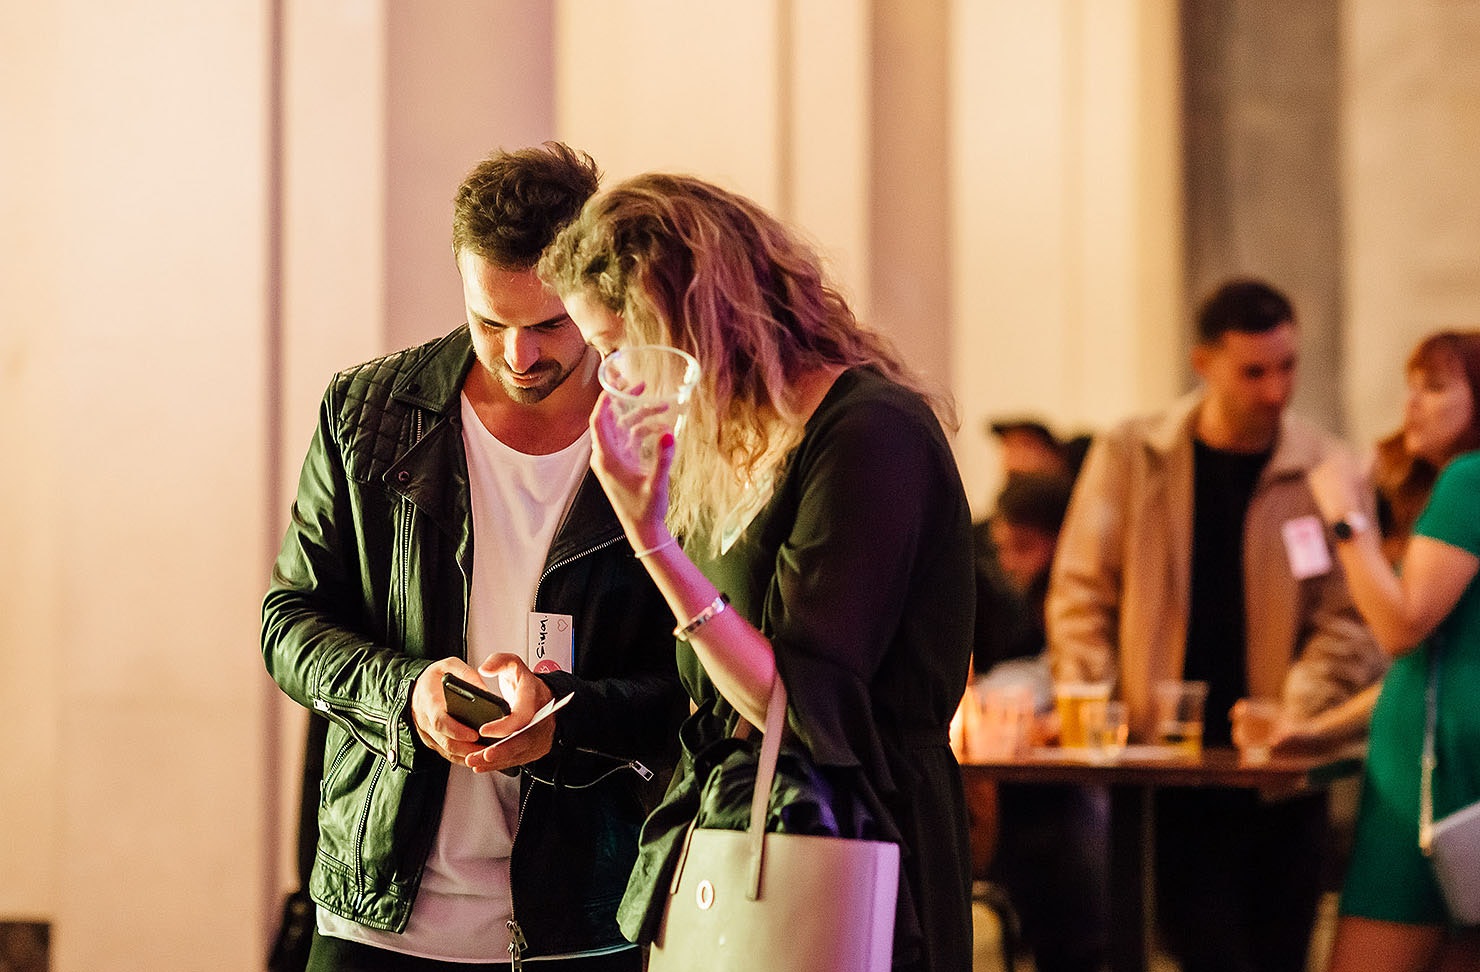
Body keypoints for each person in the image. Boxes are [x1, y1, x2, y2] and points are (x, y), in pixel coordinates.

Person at [261, 143, 686, 971]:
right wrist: (407, 692)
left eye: (548, 325)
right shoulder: (370, 410)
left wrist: (561, 719)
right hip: (374, 908)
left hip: (586, 915)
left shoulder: (664, 431)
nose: (519, 356)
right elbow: (289, 622)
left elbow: (694, 682)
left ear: (601, 292)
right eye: (490, 323)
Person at [539, 173, 976, 971]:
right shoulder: (719, 443)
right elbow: (696, 678)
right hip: (736, 821)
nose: (615, 380)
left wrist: (653, 544)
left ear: (687, 323)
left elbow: (804, 701)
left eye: (613, 349)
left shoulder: (870, 432)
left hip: (857, 829)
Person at [1047, 277, 1388, 972]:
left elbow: (1349, 619)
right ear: (1203, 363)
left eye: (1287, 366)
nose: (1275, 389)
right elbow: (1082, 590)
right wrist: (1098, 707)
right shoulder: (1135, 454)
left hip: (1279, 764)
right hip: (1168, 761)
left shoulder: (1324, 465)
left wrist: (1294, 714)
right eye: (1254, 371)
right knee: (1202, 949)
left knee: (1280, 950)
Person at [1307, 330, 1480, 971]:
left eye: (1436, 388)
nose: (1412, 404)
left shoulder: (1470, 476)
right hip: (1444, 763)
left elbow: (1401, 628)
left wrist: (1346, 515)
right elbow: (1432, 662)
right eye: (1411, 386)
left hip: (1436, 779)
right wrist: (1314, 731)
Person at [974, 472, 1110, 972]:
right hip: (1023, 781)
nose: (1009, 562)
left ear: (1060, 541)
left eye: (1024, 548)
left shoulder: (1076, 591)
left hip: (1070, 782)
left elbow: (1076, 673)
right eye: (1003, 548)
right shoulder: (996, 594)